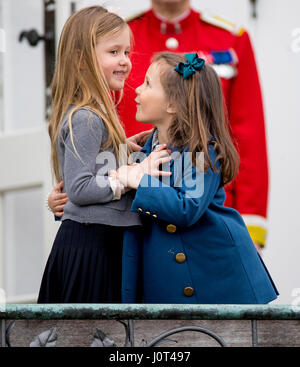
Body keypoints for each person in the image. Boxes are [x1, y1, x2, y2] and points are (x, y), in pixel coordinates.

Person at [48, 0, 269, 252]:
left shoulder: (230, 38)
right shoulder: (115, 35)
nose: (138, 88)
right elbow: (95, 148)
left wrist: (251, 226)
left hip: (202, 221)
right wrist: (74, 200)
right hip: (133, 225)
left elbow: (249, 136)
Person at [117, 52, 278, 304]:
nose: (136, 89)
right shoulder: (144, 150)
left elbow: (186, 208)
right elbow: (118, 193)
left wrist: (138, 180)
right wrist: (70, 199)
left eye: (147, 84)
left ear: (172, 105)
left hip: (219, 281)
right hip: (169, 285)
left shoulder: (203, 151)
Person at [38, 6, 170, 303]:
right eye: (114, 52)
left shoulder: (96, 115)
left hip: (102, 240)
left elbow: (87, 175)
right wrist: (132, 175)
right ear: (81, 59)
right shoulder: (86, 118)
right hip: (90, 248)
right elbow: (81, 188)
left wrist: (121, 148)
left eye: (126, 52)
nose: (125, 61)